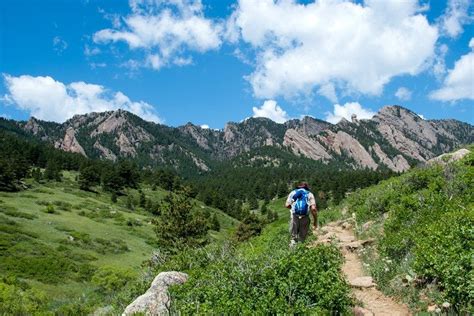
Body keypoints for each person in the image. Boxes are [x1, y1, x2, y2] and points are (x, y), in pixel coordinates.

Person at [285, 182, 317, 246]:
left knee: (293, 238)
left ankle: (292, 252)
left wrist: (292, 209)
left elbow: (287, 205)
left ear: (298, 187)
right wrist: (315, 221)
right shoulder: (309, 194)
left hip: (294, 217)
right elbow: (313, 209)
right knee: (302, 239)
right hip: (305, 218)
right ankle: (300, 250)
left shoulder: (293, 193)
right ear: (306, 187)